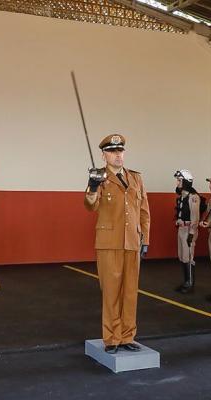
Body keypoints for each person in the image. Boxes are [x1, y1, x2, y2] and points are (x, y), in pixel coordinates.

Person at [84, 133, 150, 353]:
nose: (117, 155)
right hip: (109, 243)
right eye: (112, 152)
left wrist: (145, 238)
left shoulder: (136, 178)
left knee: (130, 293)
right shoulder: (99, 177)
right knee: (111, 292)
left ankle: (127, 336)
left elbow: (144, 212)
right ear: (104, 155)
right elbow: (90, 205)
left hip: (132, 242)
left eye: (120, 151)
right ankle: (112, 338)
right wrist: (93, 187)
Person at [173, 169, 200, 293]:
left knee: (188, 256)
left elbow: (195, 217)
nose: (177, 183)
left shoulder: (193, 197)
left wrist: (192, 233)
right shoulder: (182, 196)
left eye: (179, 180)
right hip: (181, 228)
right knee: (182, 256)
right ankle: (186, 281)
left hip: (189, 230)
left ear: (186, 182)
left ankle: (190, 284)